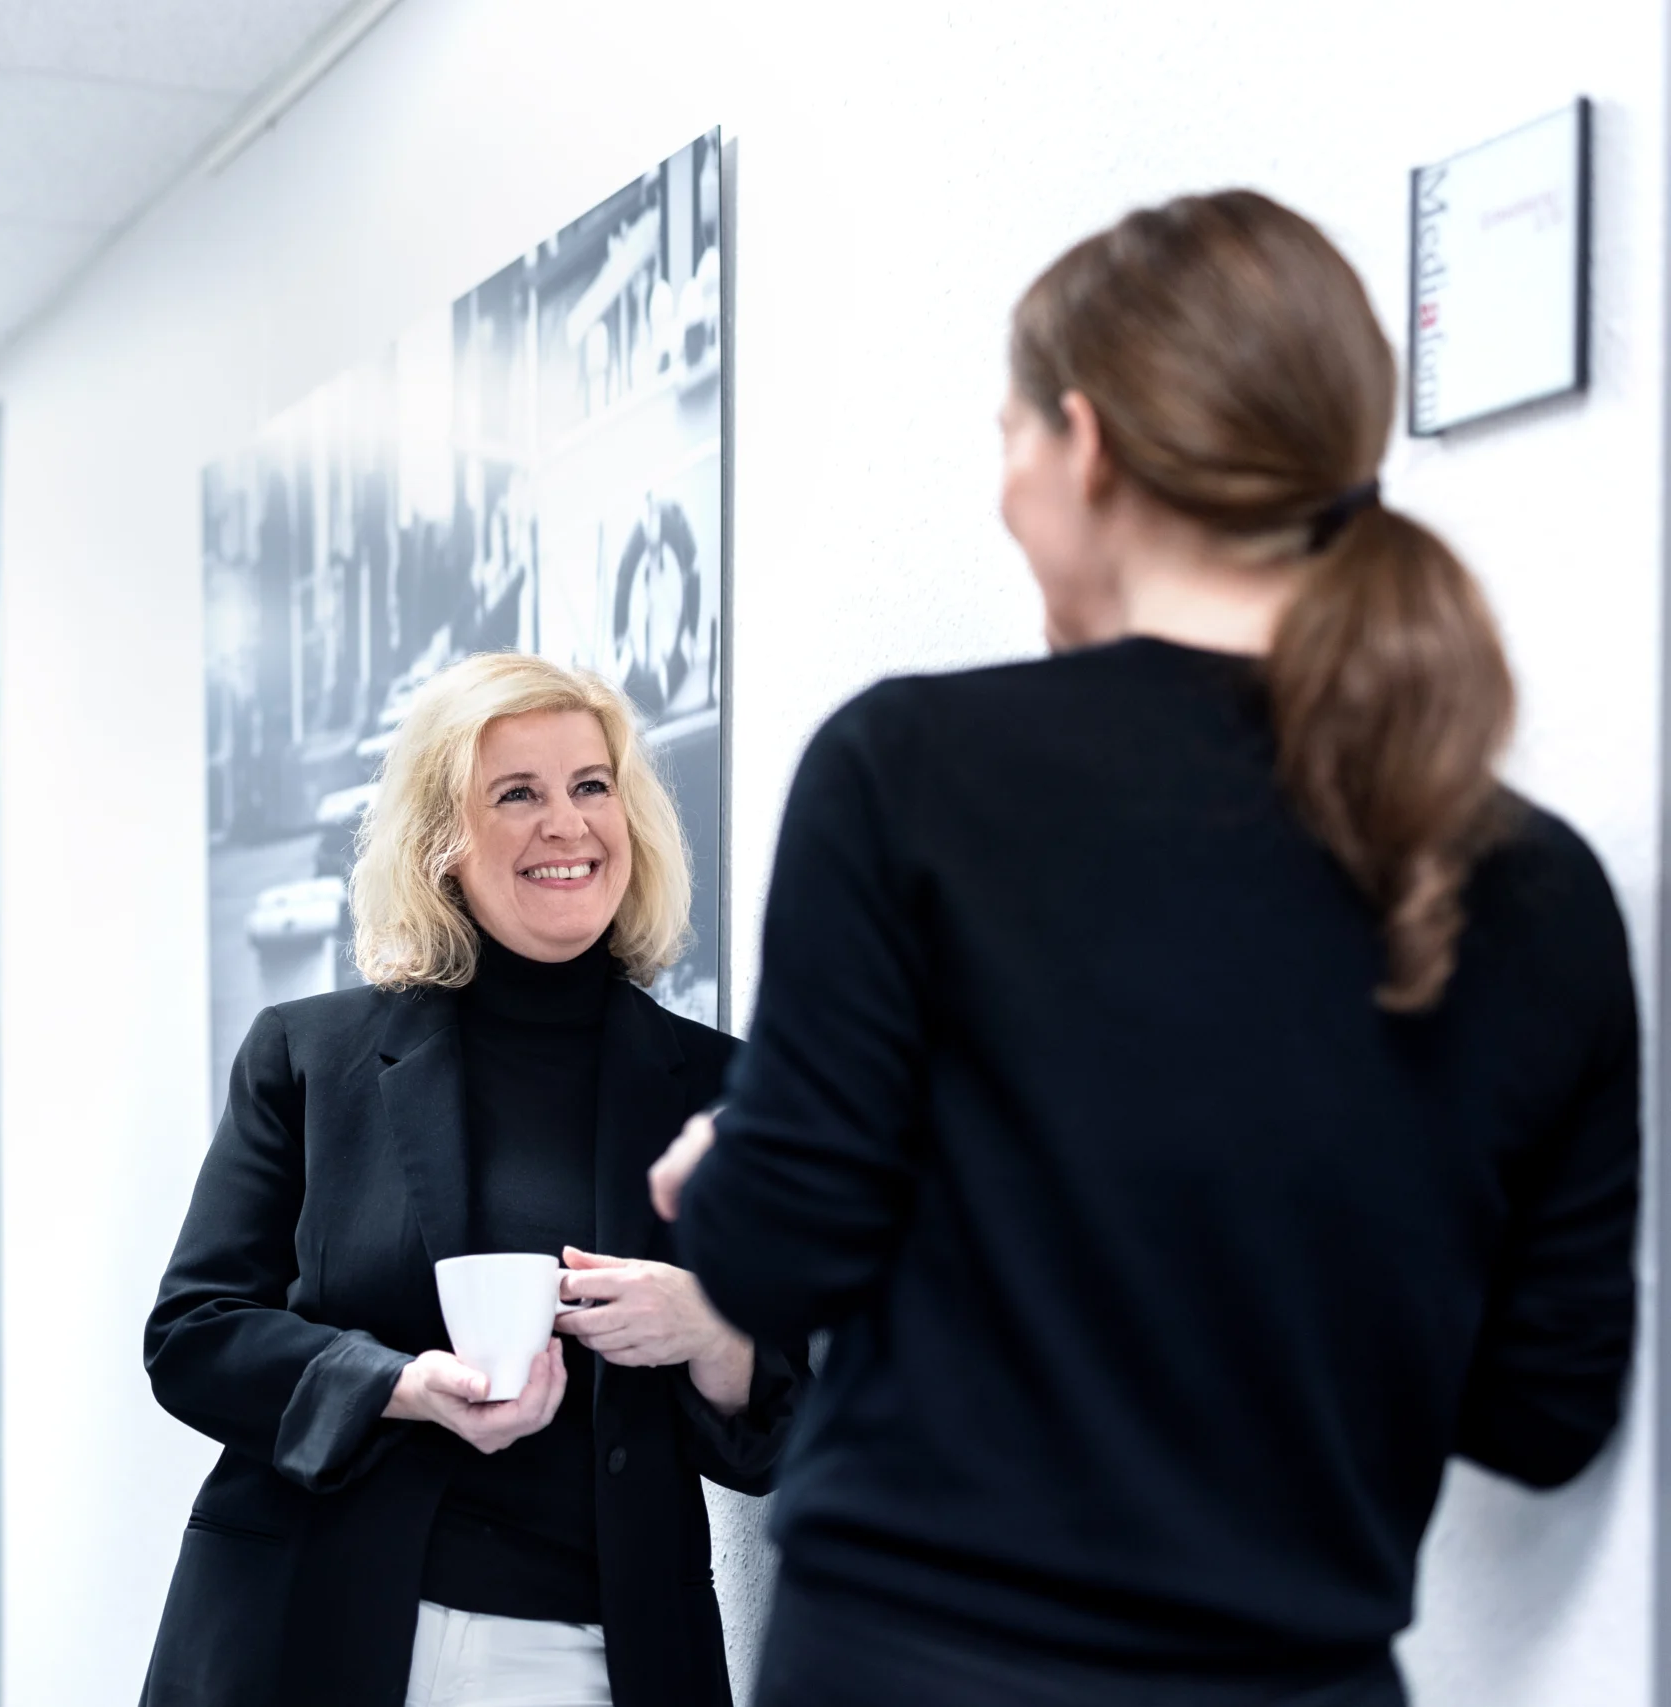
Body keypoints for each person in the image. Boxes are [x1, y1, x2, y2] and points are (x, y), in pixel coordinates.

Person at [654, 190, 1638, 1706]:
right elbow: (1543, 1404)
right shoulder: (1535, 878)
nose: (1003, 488)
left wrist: (719, 1172)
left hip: (923, 1668)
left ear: (1087, 442)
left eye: (1009, 438)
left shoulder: (913, 768)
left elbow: (782, 1247)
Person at [143, 650, 804, 1707]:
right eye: (516, 794)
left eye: (591, 787)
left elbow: (777, 1431)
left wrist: (705, 1330)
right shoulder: (309, 1057)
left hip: (593, 1654)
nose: (566, 824)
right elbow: (193, 1335)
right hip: (314, 1624)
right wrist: (397, 1388)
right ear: (442, 844)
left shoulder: (721, 1090)